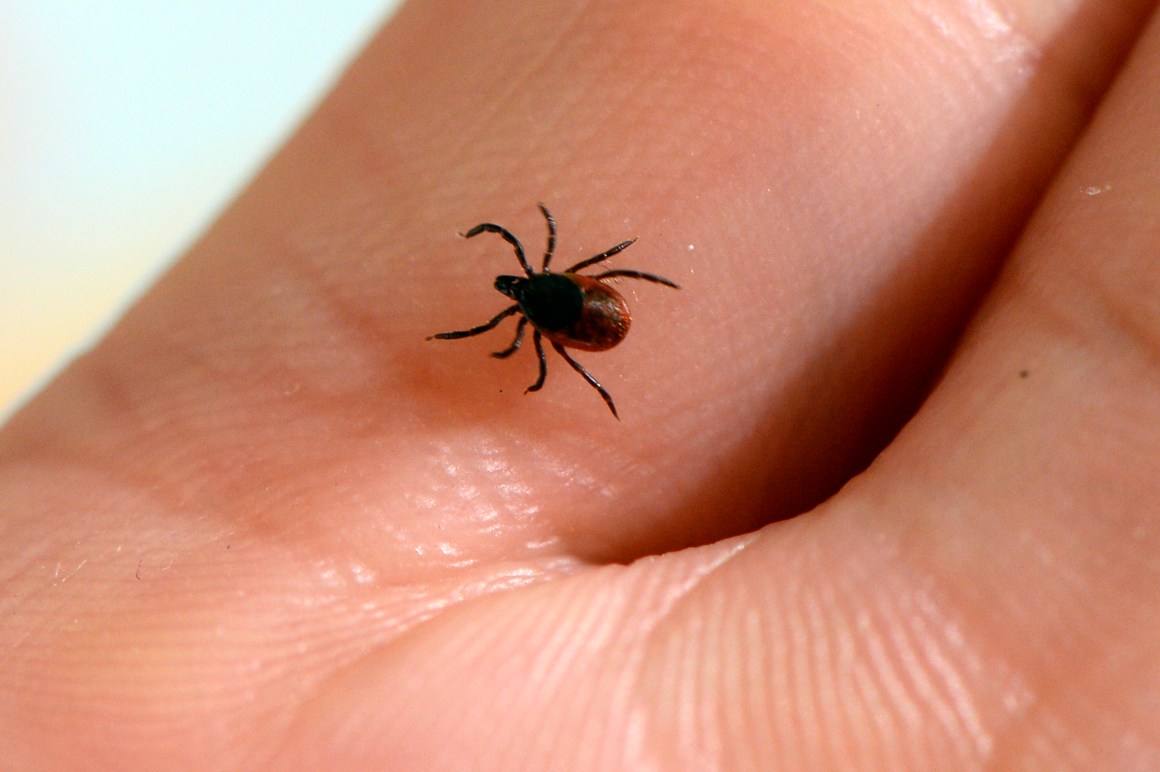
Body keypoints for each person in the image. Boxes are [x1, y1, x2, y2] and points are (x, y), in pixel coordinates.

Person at [2, 0, 1158, 767]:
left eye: (518, 281)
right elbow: (557, 289)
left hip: (605, 334)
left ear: (538, 281)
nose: (518, 293)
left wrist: (546, 349)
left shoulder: (553, 304)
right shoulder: (564, 291)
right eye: (519, 288)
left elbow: (534, 317)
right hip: (608, 333)